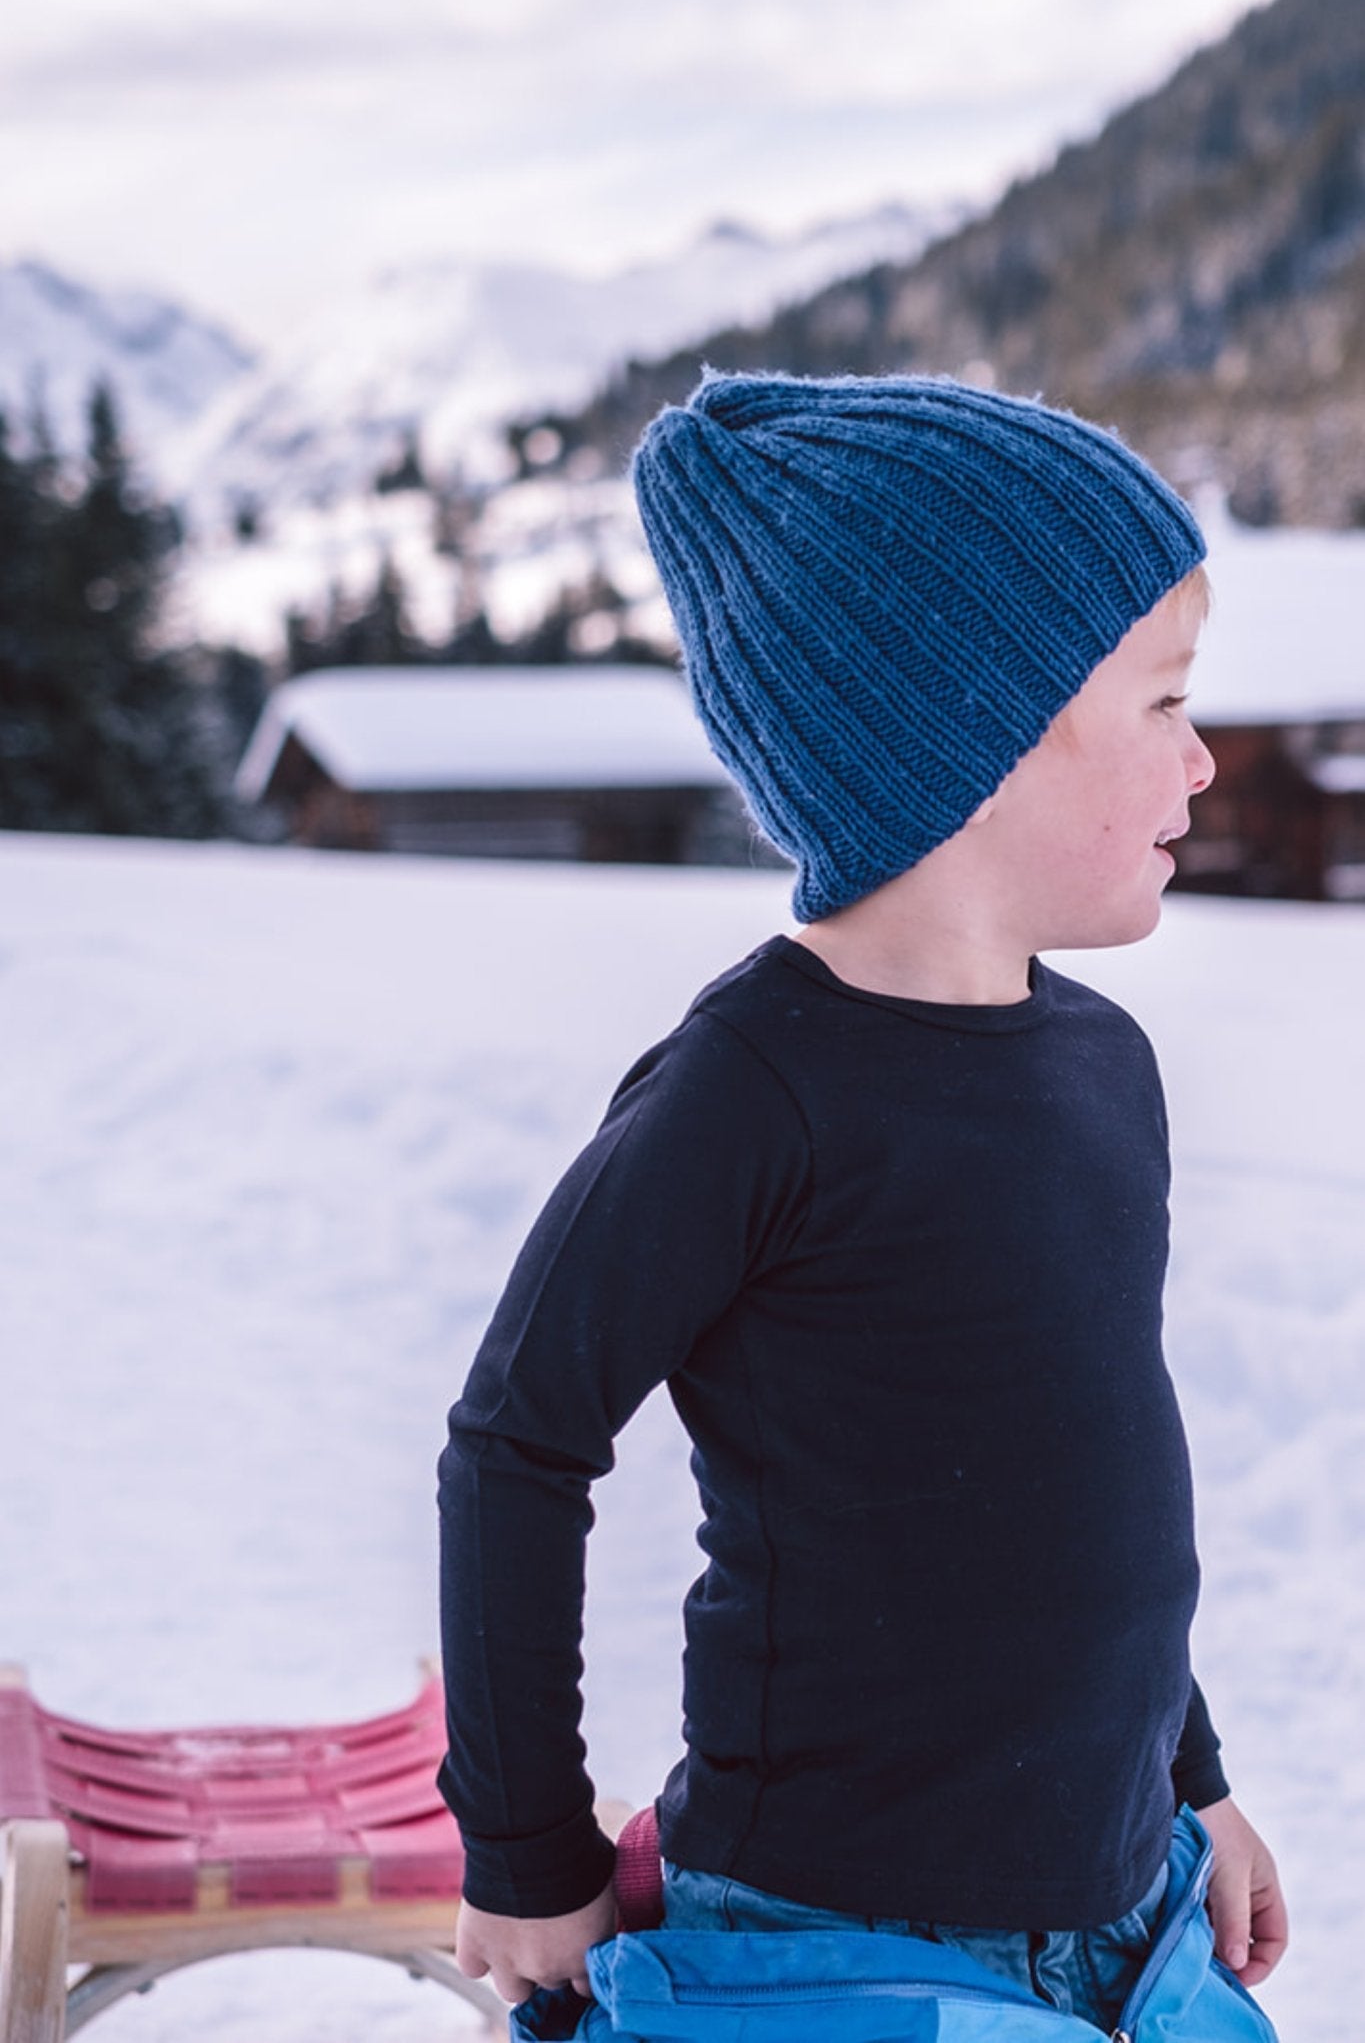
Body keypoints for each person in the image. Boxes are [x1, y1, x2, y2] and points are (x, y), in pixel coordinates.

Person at [437, 372, 1289, 2030]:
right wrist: (524, 1846)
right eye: (1162, 703)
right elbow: (517, 1444)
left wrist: (1189, 1780)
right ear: (975, 727)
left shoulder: (1102, 1067)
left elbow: (1069, 1480)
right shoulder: (749, 1095)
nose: (1201, 761)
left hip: (1126, 1916)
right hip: (829, 1934)